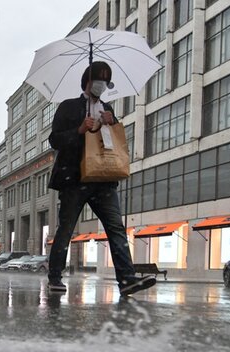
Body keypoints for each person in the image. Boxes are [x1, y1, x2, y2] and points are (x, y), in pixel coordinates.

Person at [46, 61, 155, 297]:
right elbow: (54, 140)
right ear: (88, 80)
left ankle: (126, 279)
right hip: (74, 178)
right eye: (99, 79)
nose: (102, 84)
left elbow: (113, 141)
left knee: (116, 227)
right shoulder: (69, 107)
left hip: (103, 179)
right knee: (66, 229)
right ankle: (55, 276)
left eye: (106, 80)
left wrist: (112, 122)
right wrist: (79, 130)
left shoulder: (107, 109)